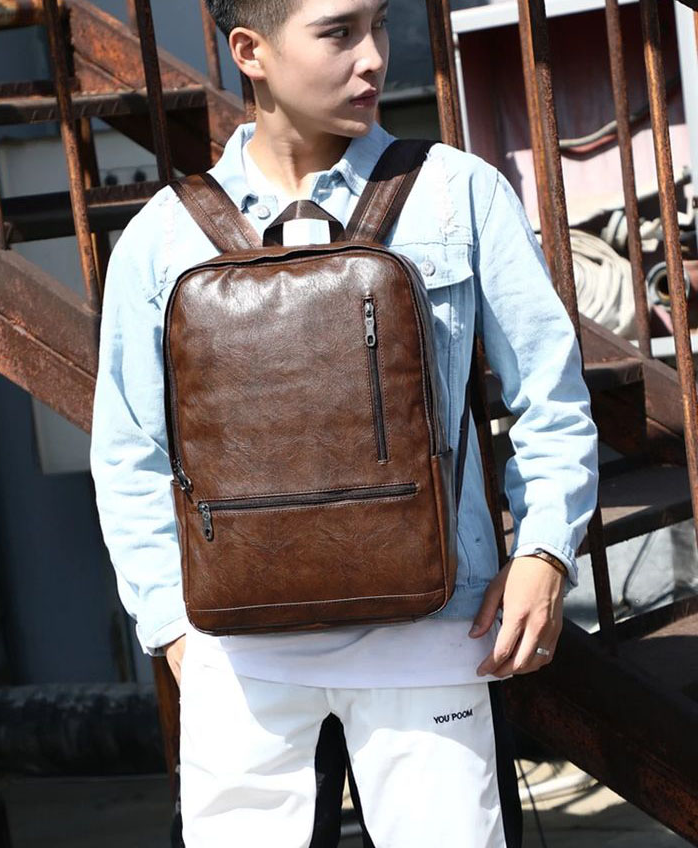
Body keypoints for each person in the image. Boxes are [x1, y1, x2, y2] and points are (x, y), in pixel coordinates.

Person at [90, 0, 599, 845]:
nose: (374, 58)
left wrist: (545, 550)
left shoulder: (455, 192)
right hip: (238, 655)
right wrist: (173, 628)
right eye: (337, 32)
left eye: (380, 25)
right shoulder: (164, 236)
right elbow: (129, 451)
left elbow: (550, 392)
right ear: (250, 50)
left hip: (433, 628)